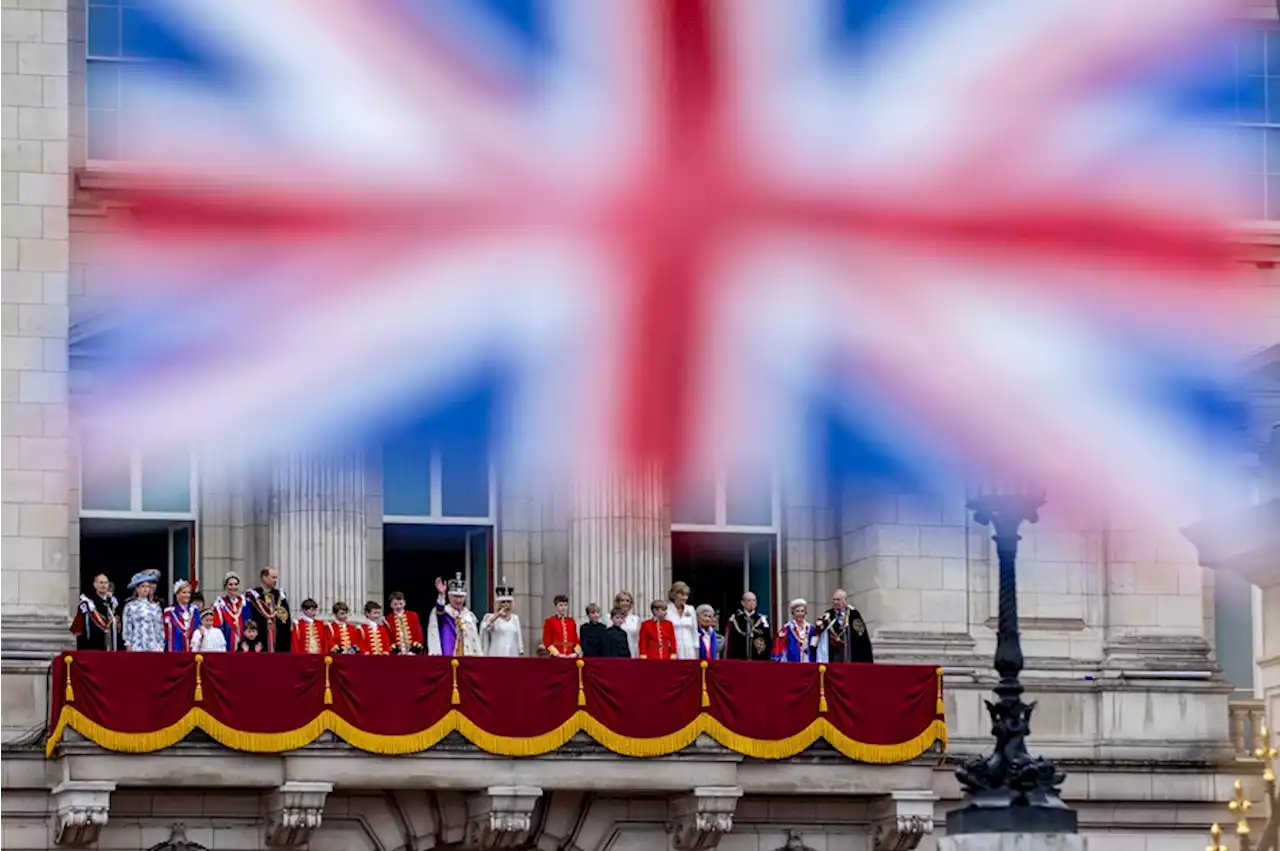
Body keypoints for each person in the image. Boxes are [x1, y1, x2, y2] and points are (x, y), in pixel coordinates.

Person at [813, 588, 874, 663]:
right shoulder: (828, 615)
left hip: (849, 653)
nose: (835, 602)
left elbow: (860, 635)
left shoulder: (853, 614)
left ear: (844, 600)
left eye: (838, 600)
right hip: (833, 654)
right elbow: (817, 633)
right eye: (834, 599)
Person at [428, 574, 482, 656]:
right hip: (449, 656)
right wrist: (442, 595)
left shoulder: (469, 615)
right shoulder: (446, 613)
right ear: (449, 596)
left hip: (468, 656)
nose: (458, 600)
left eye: (461, 597)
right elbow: (439, 609)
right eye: (455, 596)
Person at [247, 566, 291, 653]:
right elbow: (251, 617)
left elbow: (286, 617)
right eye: (273, 577)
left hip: (278, 640)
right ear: (264, 577)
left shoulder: (280, 595)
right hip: (260, 637)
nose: (275, 580)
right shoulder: (254, 595)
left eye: (276, 578)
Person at [71, 572, 120, 651]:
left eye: (106, 583)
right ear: (95, 585)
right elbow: (80, 627)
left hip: (110, 645)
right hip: (92, 645)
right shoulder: (88, 603)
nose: (103, 585)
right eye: (101, 583)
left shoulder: (112, 602)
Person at [123, 569, 164, 652]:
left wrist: (160, 645)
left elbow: (159, 628)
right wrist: (128, 644)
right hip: (136, 645)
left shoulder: (155, 607)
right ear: (137, 589)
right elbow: (127, 628)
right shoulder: (130, 606)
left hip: (153, 646)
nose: (145, 589)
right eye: (143, 586)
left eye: (147, 586)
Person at [480, 578, 523, 657]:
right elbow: (485, 627)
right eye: (503, 602)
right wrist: (497, 615)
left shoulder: (515, 618)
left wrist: (520, 650)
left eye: (508, 602)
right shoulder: (491, 617)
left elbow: (518, 637)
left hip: (512, 653)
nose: (506, 605)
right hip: (496, 653)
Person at [726, 591, 770, 661]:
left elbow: (768, 642)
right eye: (749, 600)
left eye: (754, 600)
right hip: (739, 661)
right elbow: (730, 643)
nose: (752, 603)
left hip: (758, 660)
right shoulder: (735, 620)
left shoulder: (762, 620)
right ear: (743, 603)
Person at [213, 572, 251, 648]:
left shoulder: (244, 603)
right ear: (225, 586)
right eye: (230, 584)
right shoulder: (220, 605)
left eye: (236, 584)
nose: (233, 587)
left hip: (244, 645)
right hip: (227, 644)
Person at [163, 579, 200, 652]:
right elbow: (165, 634)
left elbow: (198, 627)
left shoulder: (194, 611)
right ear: (177, 594)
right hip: (175, 650)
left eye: (189, 593)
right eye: (184, 592)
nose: (187, 595)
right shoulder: (169, 612)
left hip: (192, 651)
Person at [664, 581, 698, 660]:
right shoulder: (666, 609)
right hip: (672, 647)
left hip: (689, 647)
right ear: (674, 594)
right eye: (682, 595)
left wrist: (696, 649)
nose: (685, 598)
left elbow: (694, 631)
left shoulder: (690, 609)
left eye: (686, 595)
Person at [613, 591, 641, 658]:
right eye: (622, 600)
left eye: (628, 601)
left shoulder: (636, 619)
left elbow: (639, 639)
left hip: (633, 654)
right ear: (617, 602)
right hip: (615, 655)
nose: (625, 603)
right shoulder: (609, 618)